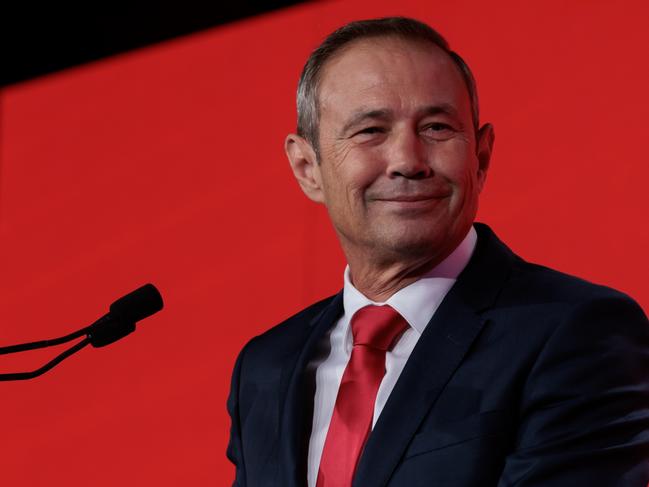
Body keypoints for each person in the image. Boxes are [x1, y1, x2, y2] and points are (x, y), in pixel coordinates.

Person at [226, 17, 649, 487]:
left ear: (481, 157)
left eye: (436, 127)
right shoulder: (265, 367)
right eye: (371, 130)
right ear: (308, 167)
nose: (408, 160)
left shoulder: (578, 334)